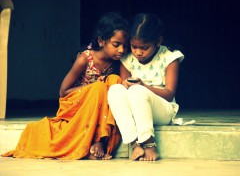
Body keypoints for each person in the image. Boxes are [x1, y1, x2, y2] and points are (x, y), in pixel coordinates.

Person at [2, 12, 129, 160]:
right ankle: (92, 143)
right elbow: (63, 91)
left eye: (125, 46)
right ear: (101, 41)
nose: (121, 50)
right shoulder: (85, 59)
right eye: (116, 44)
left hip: (101, 107)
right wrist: (93, 88)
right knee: (99, 88)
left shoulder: (118, 62)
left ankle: (100, 141)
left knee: (113, 81)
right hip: (76, 104)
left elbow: (124, 87)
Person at [108, 13, 184, 161]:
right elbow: (125, 87)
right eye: (133, 46)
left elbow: (169, 94)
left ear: (158, 41)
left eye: (144, 47)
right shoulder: (128, 58)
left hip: (163, 109)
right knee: (115, 89)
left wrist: (143, 87)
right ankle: (134, 142)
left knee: (137, 91)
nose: (138, 52)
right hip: (136, 105)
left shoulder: (170, 56)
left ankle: (149, 144)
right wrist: (125, 84)